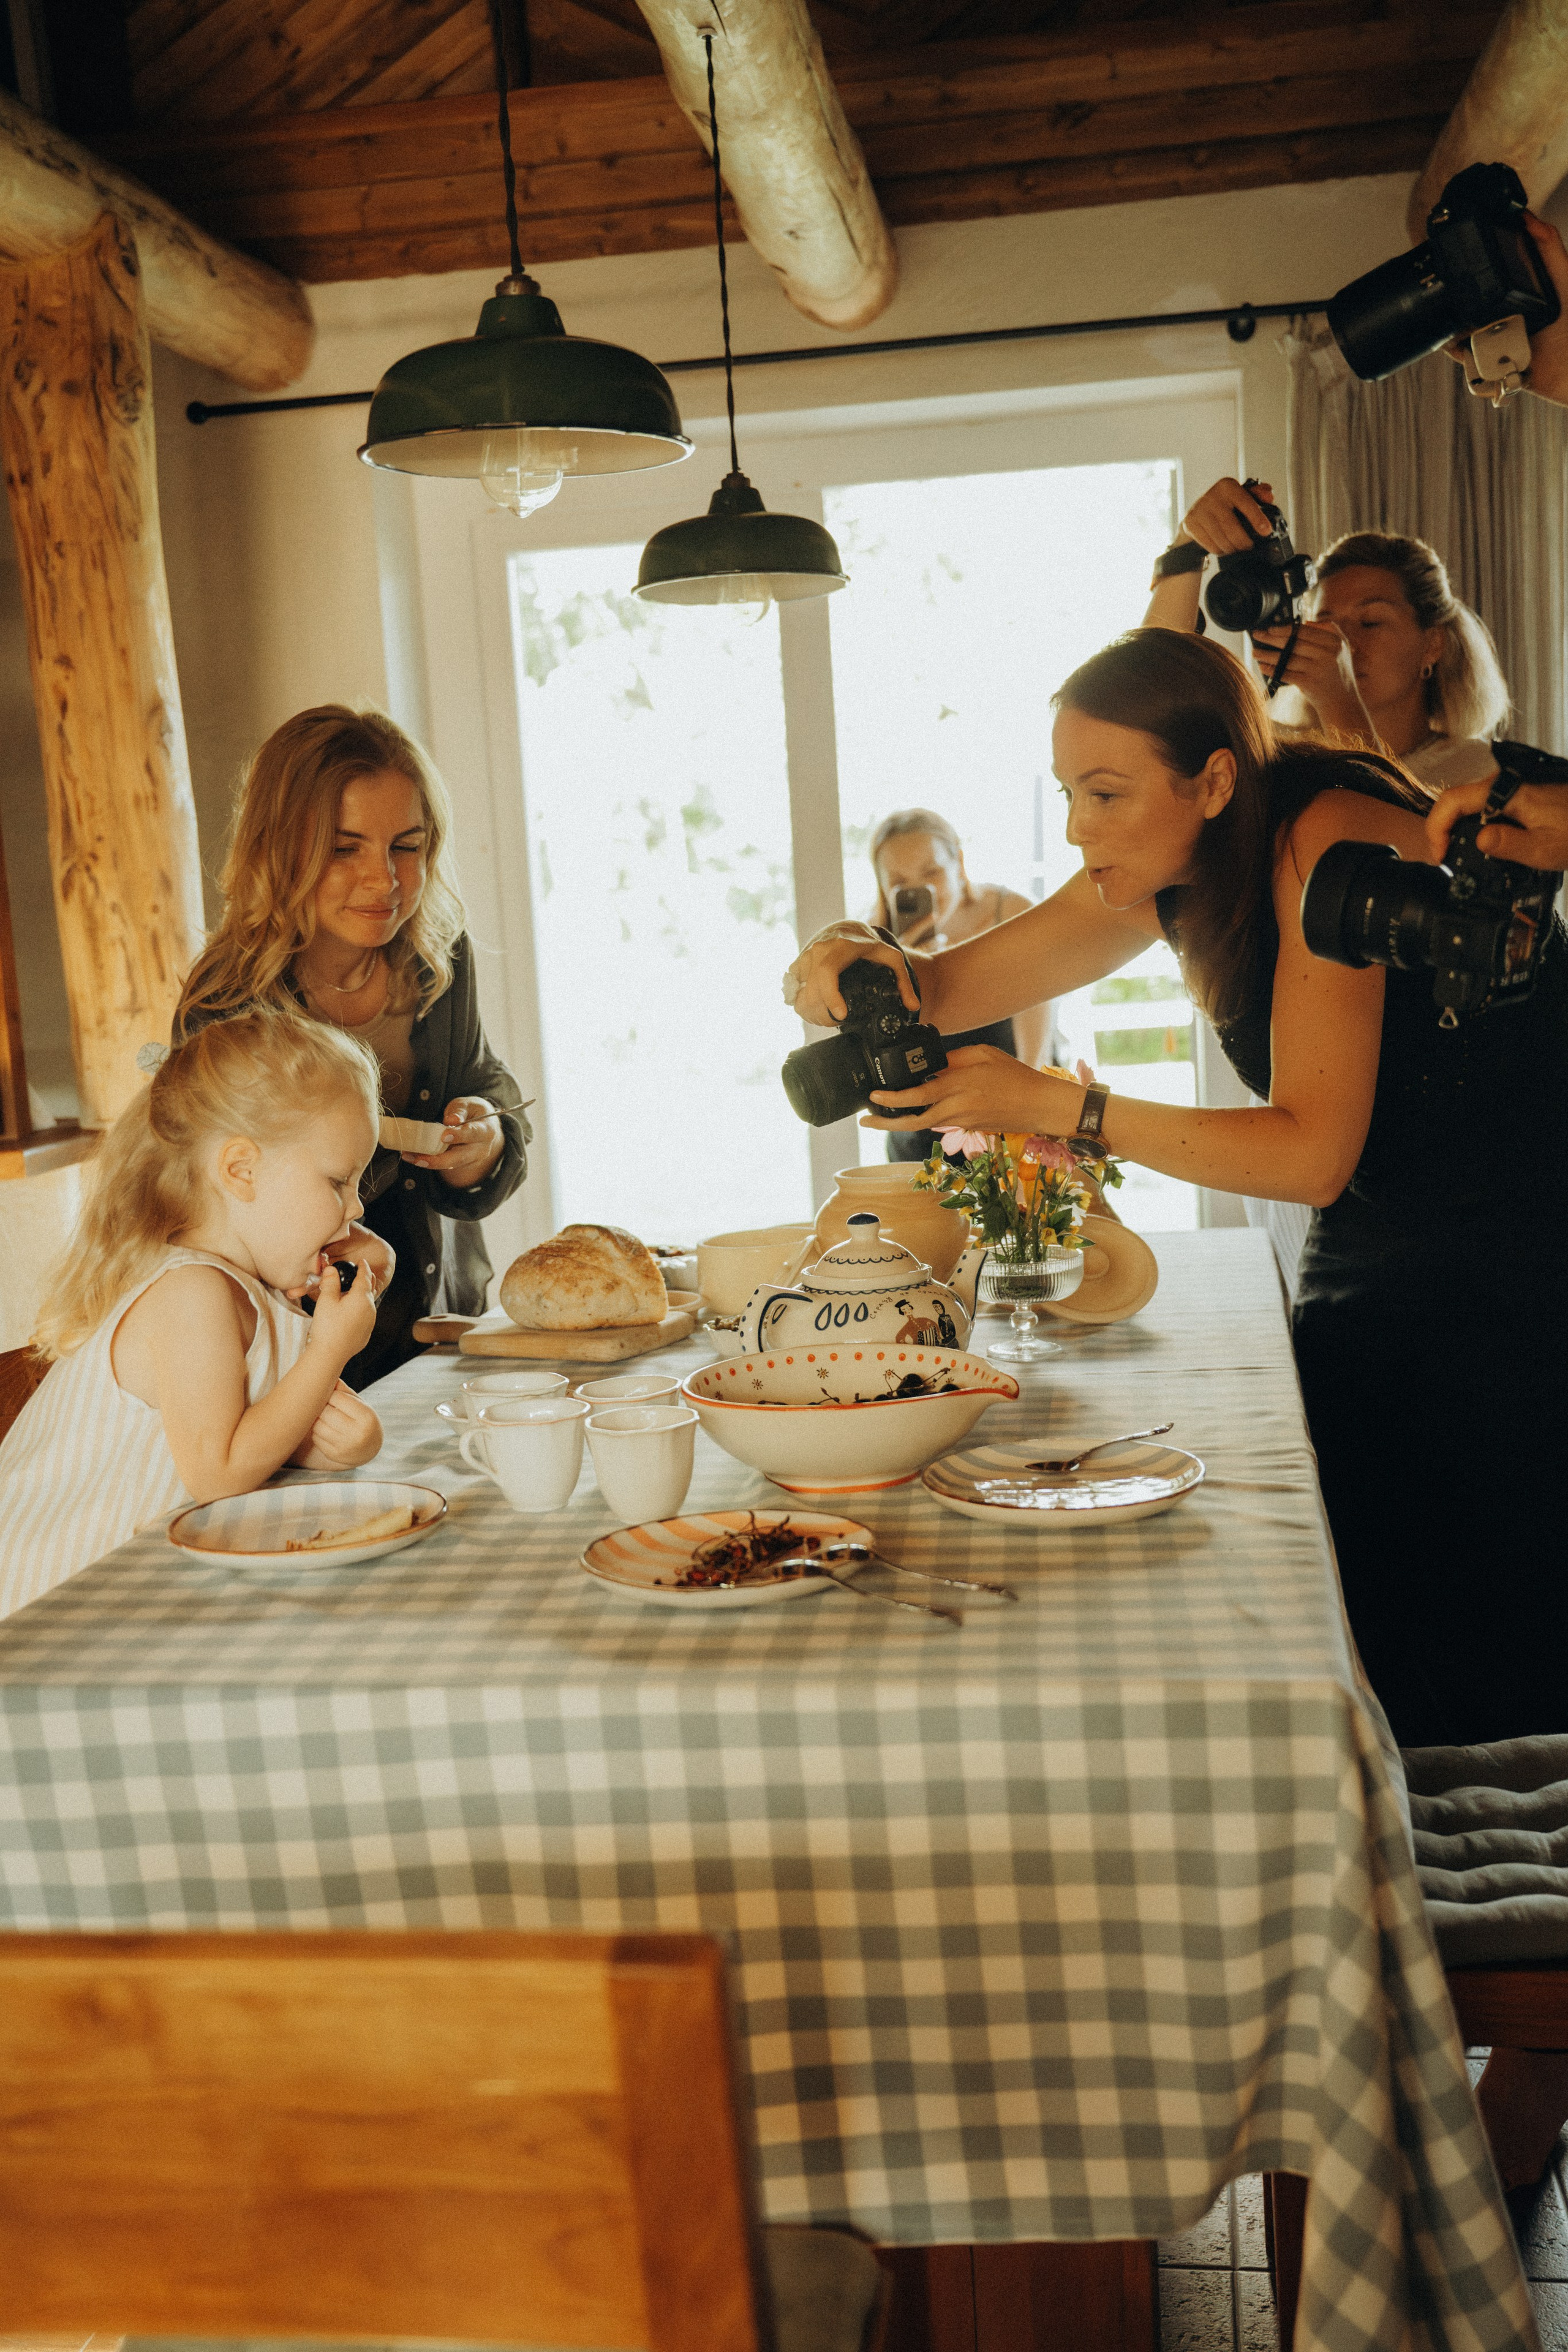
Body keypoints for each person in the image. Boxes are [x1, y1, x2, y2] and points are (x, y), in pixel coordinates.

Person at [785, 628, 1568, 1758]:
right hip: (1385, 1238)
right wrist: (845, 960)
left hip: (1521, 1254)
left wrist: (1049, 1105)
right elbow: (947, 984)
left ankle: (1489, 1861)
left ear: (1212, 780)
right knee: (1357, 1564)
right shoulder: (1171, 862)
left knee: (1471, 1636)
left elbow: (1309, 1157)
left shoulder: (1325, 837)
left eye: (1104, 793)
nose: (1074, 828)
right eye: (1065, 792)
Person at [176, 706, 530, 1388]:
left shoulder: (438, 956)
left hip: (441, 1336)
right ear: (281, 849)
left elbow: (488, 1085)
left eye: (407, 844)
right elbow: (214, 1230)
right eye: (345, 849)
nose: (386, 880)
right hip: (309, 1377)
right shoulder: (224, 1006)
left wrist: (484, 1141)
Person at [0, 1011, 384, 1621]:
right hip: (45, 1609)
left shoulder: (255, 1291)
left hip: (141, 1598)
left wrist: (335, 1443)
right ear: (240, 1171)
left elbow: (252, 1430)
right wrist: (328, 1351)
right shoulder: (192, 1294)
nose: (357, 1205)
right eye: (339, 1181)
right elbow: (219, 1473)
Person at [867, 810, 1055, 1162]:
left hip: (1013, 1112)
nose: (918, 889)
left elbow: (1036, 1055)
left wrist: (1022, 1133)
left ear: (959, 863)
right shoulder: (876, 944)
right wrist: (905, 975)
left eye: (932, 872)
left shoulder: (1011, 916)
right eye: (899, 882)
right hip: (921, 1128)